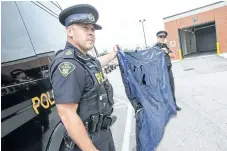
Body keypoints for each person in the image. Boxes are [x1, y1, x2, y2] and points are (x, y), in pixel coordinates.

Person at [49, 4, 118, 151]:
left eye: (92, 29)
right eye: (85, 28)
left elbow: (96, 63)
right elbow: (67, 113)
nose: (91, 33)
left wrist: (113, 54)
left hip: (102, 135)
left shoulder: (85, 60)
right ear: (70, 31)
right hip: (86, 142)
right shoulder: (68, 65)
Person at [154, 30, 181, 111]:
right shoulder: (154, 48)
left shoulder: (166, 47)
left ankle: (174, 105)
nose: (162, 38)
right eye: (160, 37)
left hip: (168, 71)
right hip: (160, 73)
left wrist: (166, 52)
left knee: (171, 88)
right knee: (162, 90)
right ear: (157, 37)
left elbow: (174, 56)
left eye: (164, 37)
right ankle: (164, 107)